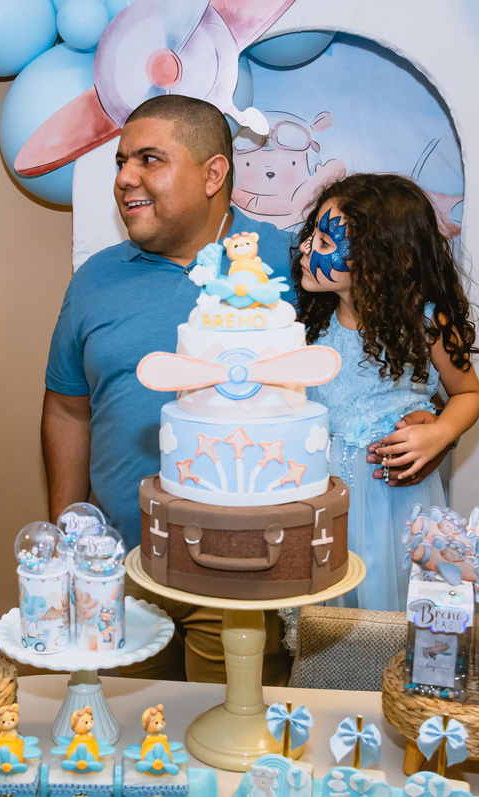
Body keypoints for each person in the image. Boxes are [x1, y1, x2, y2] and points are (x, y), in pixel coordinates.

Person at [42, 95, 296, 684]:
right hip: (121, 569)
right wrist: (68, 533)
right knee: (131, 749)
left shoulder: (293, 266)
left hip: (251, 573)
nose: (126, 178)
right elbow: (66, 408)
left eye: (150, 160)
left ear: (214, 174)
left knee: (230, 746)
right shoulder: (96, 278)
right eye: (121, 162)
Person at [296, 173, 479, 612]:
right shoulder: (309, 323)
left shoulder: (428, 324)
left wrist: (439, 434)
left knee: (390, 616)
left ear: (378, 260)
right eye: (312, 236)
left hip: (395, 502)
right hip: (322, 498)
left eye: (325, 244)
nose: (306, 250)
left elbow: (468, 393)